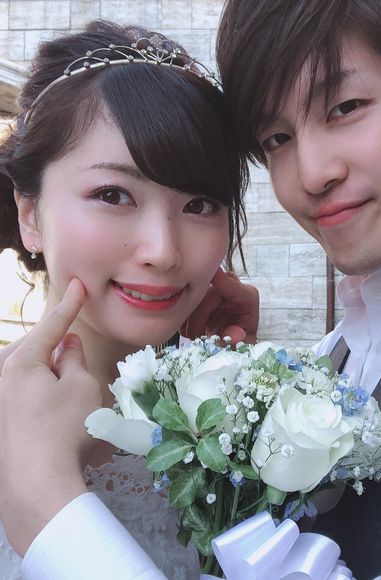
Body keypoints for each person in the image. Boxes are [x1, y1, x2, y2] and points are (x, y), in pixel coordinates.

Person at [1, 1, 381, 579]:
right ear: (30, 214)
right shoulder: (336, 352)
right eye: (277, 138)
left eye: (345, 108)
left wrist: (46, 506)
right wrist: (223, 391)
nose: (310, 175)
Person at [0, 19, 248, 579]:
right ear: (29, 215)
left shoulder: (247, 418)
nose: (163, 251)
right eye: (112, 194)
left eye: (200, 204)